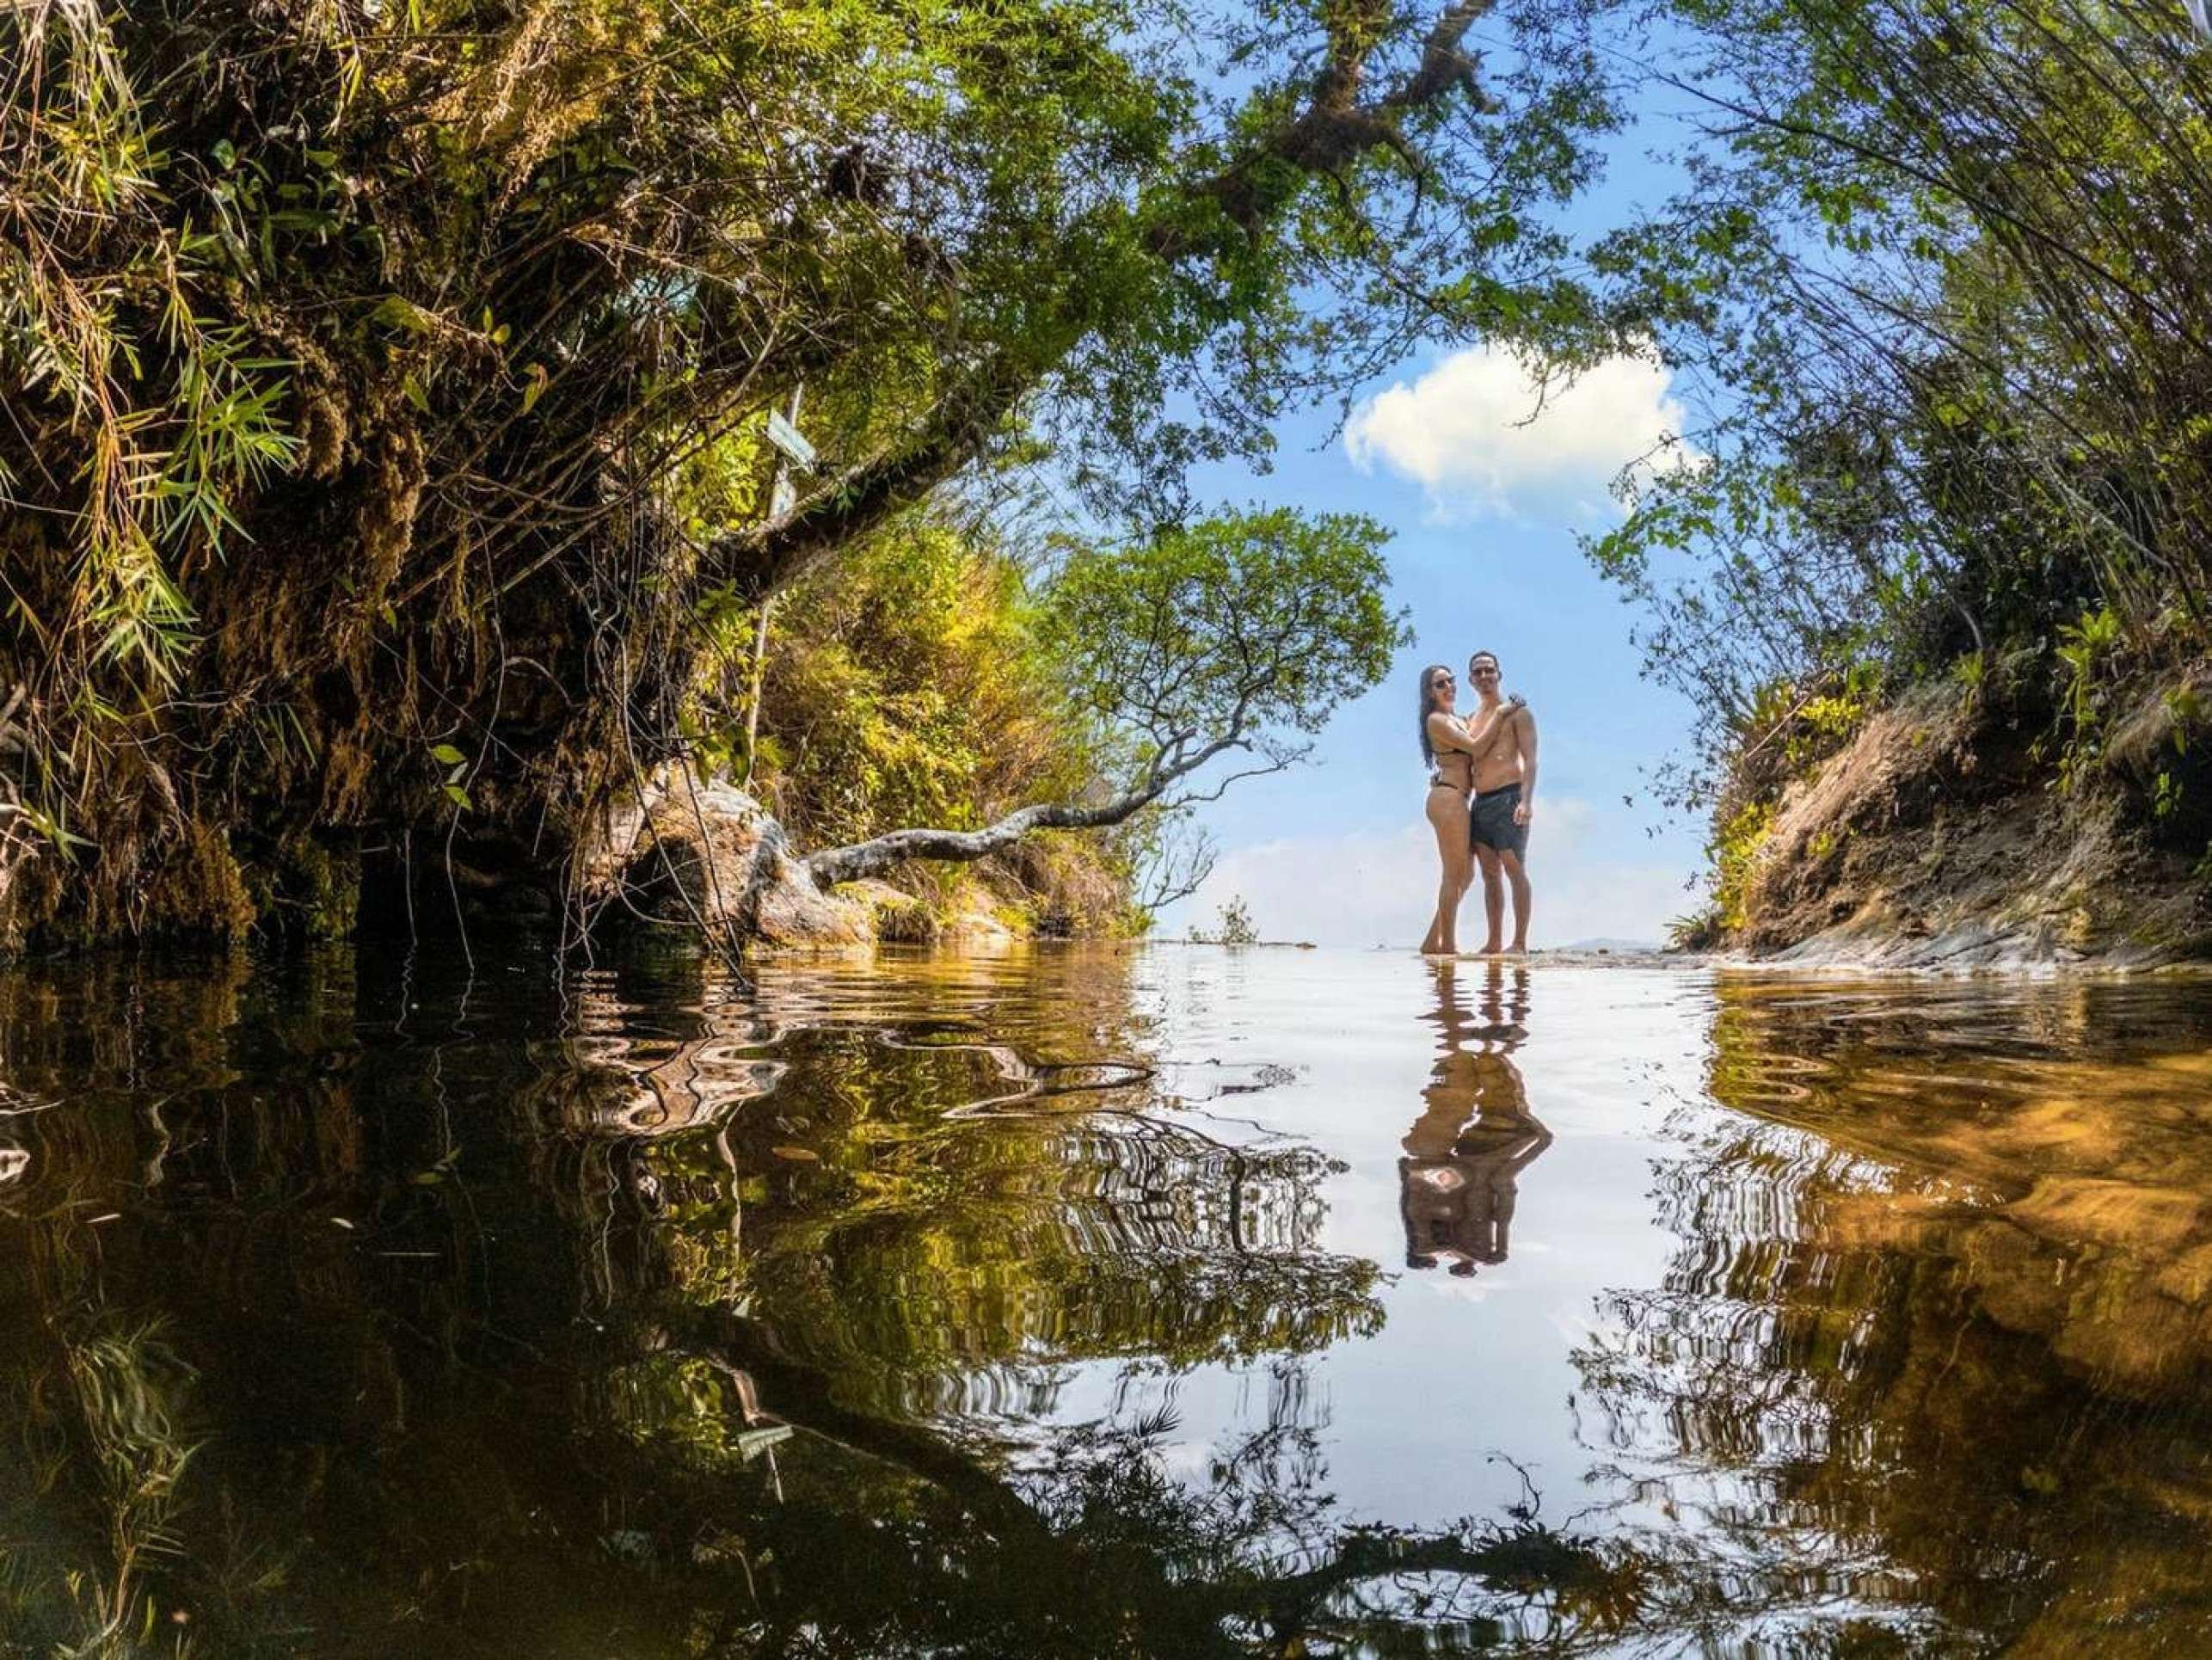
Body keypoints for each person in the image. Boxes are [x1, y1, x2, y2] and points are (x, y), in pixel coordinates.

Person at [1398, 961, 1550, 1276]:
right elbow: (1504, 1184)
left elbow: (1504, 1185)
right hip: (1478, 1153)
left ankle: (1470, 1035)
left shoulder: (1447, 1212)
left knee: (1465, 1092)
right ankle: (1483, 1037)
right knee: (1490, 1088)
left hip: (1462, 1158)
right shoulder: (1488, 1191)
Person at [1416, 665, 1522, 956]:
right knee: (1453, 875)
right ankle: (1448, 947)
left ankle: (1431, 942)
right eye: (1440, 684)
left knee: (1466, 876)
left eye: (1450, 681)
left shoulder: (1458, 719)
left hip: (1458, 798)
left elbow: (1480, 724)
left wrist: (1496, 706)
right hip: (1448, 798)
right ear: (1429, 692)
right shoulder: (1437, 720)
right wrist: (1501, 713)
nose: (1449, 686)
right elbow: (1476, 748)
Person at [1462, 649, 1539, 956]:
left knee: (1514, 868)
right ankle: (1494, 941)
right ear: (1471, 680)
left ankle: (1519, 942)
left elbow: (1531, 761)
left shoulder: (1518, 713)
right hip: (1480, 803)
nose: (1484, 677)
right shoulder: (1469, 720)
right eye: (1478, 672)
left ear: (1499, 674)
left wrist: (1526, 801)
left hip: (1509, 797)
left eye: (1489, 670)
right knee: (1489, 874)